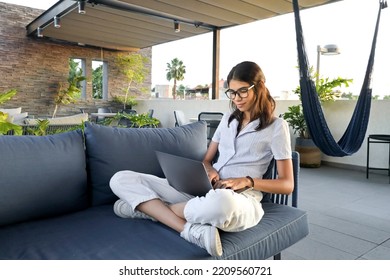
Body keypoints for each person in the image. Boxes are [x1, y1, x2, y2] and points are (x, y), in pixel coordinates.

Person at [109, 61, 293, 257]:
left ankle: (153, 210)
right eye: (231, 92)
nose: (236, 98)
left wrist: (248, 181)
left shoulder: (276, 127)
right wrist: (210, 170)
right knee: (120, 178)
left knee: (222, 204)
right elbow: (207, 160)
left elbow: (287, 184)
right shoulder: (228, 117)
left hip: (239, 199)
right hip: (201, 192)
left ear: (261, 86)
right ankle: (189, 230)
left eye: (242, 91)